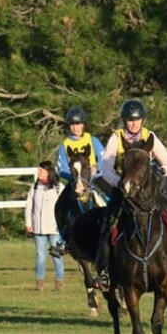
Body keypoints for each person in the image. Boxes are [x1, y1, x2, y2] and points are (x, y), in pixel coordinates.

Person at [94, 99, 167, 291]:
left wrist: (157, 174)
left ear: (143, 121)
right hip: (124, 192)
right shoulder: (116, 137)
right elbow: (105, 169)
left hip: (148, 193)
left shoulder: (150, 137)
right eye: (130, 120)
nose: (133, 124)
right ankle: (104, 273)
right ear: (124, 121)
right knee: (108, 223)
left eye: (137, 120)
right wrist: (121, 183)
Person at [50, 106, 109, 257]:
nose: (75, 127)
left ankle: (114, 227)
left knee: (111, 198)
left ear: (83, 125)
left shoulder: (92, 140)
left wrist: (97, 169)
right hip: (74, 180)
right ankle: (63, 239)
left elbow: (103, 159)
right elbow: (61, 166)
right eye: (72, 124)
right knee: (60, 205)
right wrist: (72, 176)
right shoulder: (64, 144)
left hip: (94, 179)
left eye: (78, 124)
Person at [25, 161, 66, 291]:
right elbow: (29, 205)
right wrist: (28, 223)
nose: (39, 173)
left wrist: (62, 225)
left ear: (49, 172)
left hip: (54, 228)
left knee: (56, 255)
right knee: (40, 255)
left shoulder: (59, 187)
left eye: (41, 171)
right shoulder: (35, 186)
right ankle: (39, 282)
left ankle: (59, 281)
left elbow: (64, 208)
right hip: (38, 227)